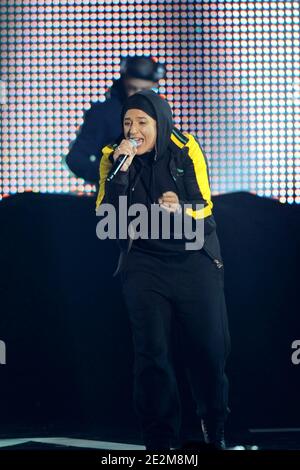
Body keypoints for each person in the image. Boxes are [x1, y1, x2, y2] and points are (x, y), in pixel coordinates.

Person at [95, 90, 231, 451]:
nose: (133, 130)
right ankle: (159, 441)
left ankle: (213, 426)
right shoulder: (113, 157)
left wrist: (181, 207)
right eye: (128, 123)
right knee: (151, 354)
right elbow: (108, 217)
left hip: (193, 261)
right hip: (144, 263)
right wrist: (120, 176)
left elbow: (205, 208)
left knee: (208, 350)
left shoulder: (185, 148)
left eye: (142, 122)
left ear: (159, 123)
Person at [65, 56, 165, 185]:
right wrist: (110, 175)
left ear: (155, 85)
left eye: (145, 90)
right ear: (124, 82)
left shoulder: (161, 115)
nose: (137, 95)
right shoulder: (103, 114)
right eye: (132, 88)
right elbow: (76, 159)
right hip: (113, 199)